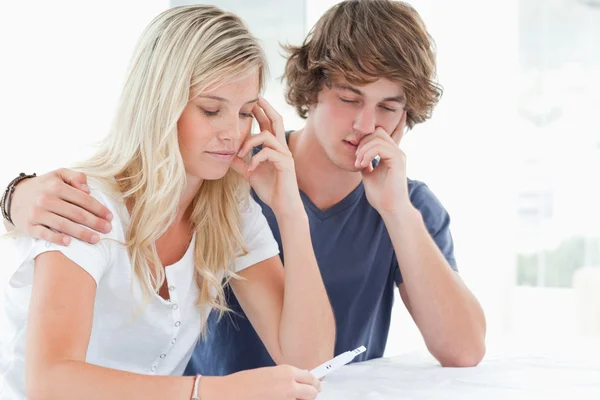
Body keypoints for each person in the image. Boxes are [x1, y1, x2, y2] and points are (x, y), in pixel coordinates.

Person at [4, 0, 486, 379]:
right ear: (313, 89)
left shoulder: (234, 198)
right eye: (348, 98)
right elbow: (52, 379)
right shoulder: (223, 179)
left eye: (389, 108)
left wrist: (380, 209)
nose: (365, 124)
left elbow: (459, 351)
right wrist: (13, 196)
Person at [0, 5, 335, 400]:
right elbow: (50, 382)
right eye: (211, 110)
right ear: (162, 105)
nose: (232, 132)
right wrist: (212, 392)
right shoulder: (85, 205)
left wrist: (289, 209)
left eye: (246, 112)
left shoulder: (230, 207)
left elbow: (307, 360)